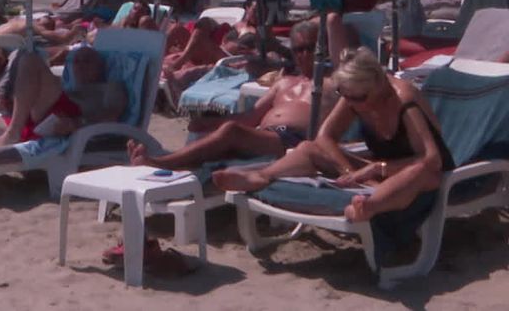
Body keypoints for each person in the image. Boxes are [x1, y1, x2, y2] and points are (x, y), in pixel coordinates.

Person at [213, 47, 453, 223]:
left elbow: (432, 160)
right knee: (308, 148)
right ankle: (262, 176)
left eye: (358, 98)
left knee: (419, 171)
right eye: (344, 94)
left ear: (377, 84)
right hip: (378, 174)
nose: (353, 104)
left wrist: (375, 169)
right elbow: (325, 137)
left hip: (424, 177)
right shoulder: (356, 96)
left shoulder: (404, 102)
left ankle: (368, 208)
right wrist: (348, 171)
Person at [129, 20, 338, 169]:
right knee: (216, 131)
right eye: (299, 49)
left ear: (323, 49)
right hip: (264, 135)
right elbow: (249, 117)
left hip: (295, 141)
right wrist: (208, 123)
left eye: (311, 48)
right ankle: (172, 164)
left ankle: (164, 162)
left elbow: (336, 28)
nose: (305, 54)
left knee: (231, 132)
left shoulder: (330, 82)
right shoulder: (283, 83)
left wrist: (331, 14)